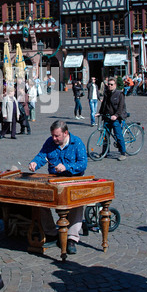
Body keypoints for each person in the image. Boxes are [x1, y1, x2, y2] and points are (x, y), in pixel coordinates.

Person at [28, 120, 87, 254]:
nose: (54, 138)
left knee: (77, 205)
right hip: (54, 180)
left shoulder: (77, 143)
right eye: (53, 135)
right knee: (39, 200)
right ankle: (51, 233)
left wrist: (67, 167)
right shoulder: (50, 142)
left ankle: (72, 238)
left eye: (57, 136)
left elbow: (83, 164)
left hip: (73, 179)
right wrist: (34, 163)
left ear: (65, 133)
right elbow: (42, 155)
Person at [96, 77, 127, 161]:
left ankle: (123, 153)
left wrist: (116, 115)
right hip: (107, 117)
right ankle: (105, 152)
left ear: (115, 85)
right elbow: (104, 105)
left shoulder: (120, 94)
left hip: (116, 118)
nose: (109, 86)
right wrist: (100, 112)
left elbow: (121, 107)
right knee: (105, 136)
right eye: (108, 84)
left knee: (118, 135)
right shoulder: (106, 93)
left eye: (111, 84)